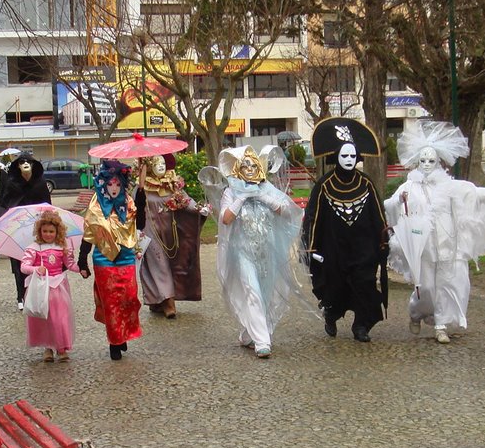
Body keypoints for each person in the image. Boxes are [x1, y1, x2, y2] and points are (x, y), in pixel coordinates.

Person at [383, 121, 485, 344]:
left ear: (439, 161)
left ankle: (441, 325)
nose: (427, 165)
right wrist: (398, 201)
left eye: (431, 160)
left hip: (448, 243)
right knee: (426, 287)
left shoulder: (449, 185)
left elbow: (473, 194)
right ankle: (417, 312)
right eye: (423, 161)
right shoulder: (410, 186)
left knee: (448, 283)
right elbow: (389, 204)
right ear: (417, 162)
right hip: (424, 247)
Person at [204, 146, 303, 359]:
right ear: (238, 168)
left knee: (265, 294)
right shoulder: (231, 192)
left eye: (252, 164)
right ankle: (262, 341)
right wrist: (242, 198)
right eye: (245, 164)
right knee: (252, 291)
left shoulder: (267, 189)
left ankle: (249, 334)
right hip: (242, 252)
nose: (249, 168)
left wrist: (266, 199)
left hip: (267, 252)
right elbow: (226, 219)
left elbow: (288, 212)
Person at [302, 140, 389, 342]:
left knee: (364, 283)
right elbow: (313, 216)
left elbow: (378, 214)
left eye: (352, 156)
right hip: (333, 248)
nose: (349, 160)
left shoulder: (366, 183)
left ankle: (361, 325)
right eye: (344, 156)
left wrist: (383, 240)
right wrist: (310, 246)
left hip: (363, 247)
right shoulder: (324, 185)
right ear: (336, 158)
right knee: (334, 285)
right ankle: (331, 316)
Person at [76, 160, 141, 361]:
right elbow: (89, 235)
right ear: (103, 184)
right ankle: (114, 341)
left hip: (127, 257)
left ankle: (123, 333)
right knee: (111, 303)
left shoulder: (129, 203)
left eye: (117, 184)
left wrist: (144, 194)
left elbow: (139, 225)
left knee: (129, 298)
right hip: (104, 260)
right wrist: (82, 261)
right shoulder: (95, 207)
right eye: (110, 184)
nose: (114, 188)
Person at [134, 153, 209, 319]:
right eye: (156, 163)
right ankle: (169, 303)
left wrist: (199, 209)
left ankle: (157, 301)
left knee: (173, 263)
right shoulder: (142, 186)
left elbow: (185, 200)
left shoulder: (172, 184)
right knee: (159, 265)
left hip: (172, 232)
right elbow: (134, 207)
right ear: (150, 166)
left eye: (163, 163)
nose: (161, 166)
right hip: (150, 232)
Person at [20, 210, 80, 362]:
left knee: (60, 317)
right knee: (44, 318)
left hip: (59, 286)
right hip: (42, 287)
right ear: (39, 231)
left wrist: (82, 269)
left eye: (51, 231)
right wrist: (35, 269)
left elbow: (70, 264)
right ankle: (48, 346)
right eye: (45, 231)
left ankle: (61, 347)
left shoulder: (62, 247)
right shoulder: (34, 248)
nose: (48, 234)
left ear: (57, 231)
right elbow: (24, 266)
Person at [0, 154, 49, 310]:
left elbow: (47, 204)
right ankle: (20, 295)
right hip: (18, 228)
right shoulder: (11, 183)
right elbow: (4, 203)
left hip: (37, 229)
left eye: (28, 162)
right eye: (22, 162)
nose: (25, 164)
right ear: (17, 166)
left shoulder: (40, 183)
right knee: (19, 263)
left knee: (38, 261)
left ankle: (36, 294)